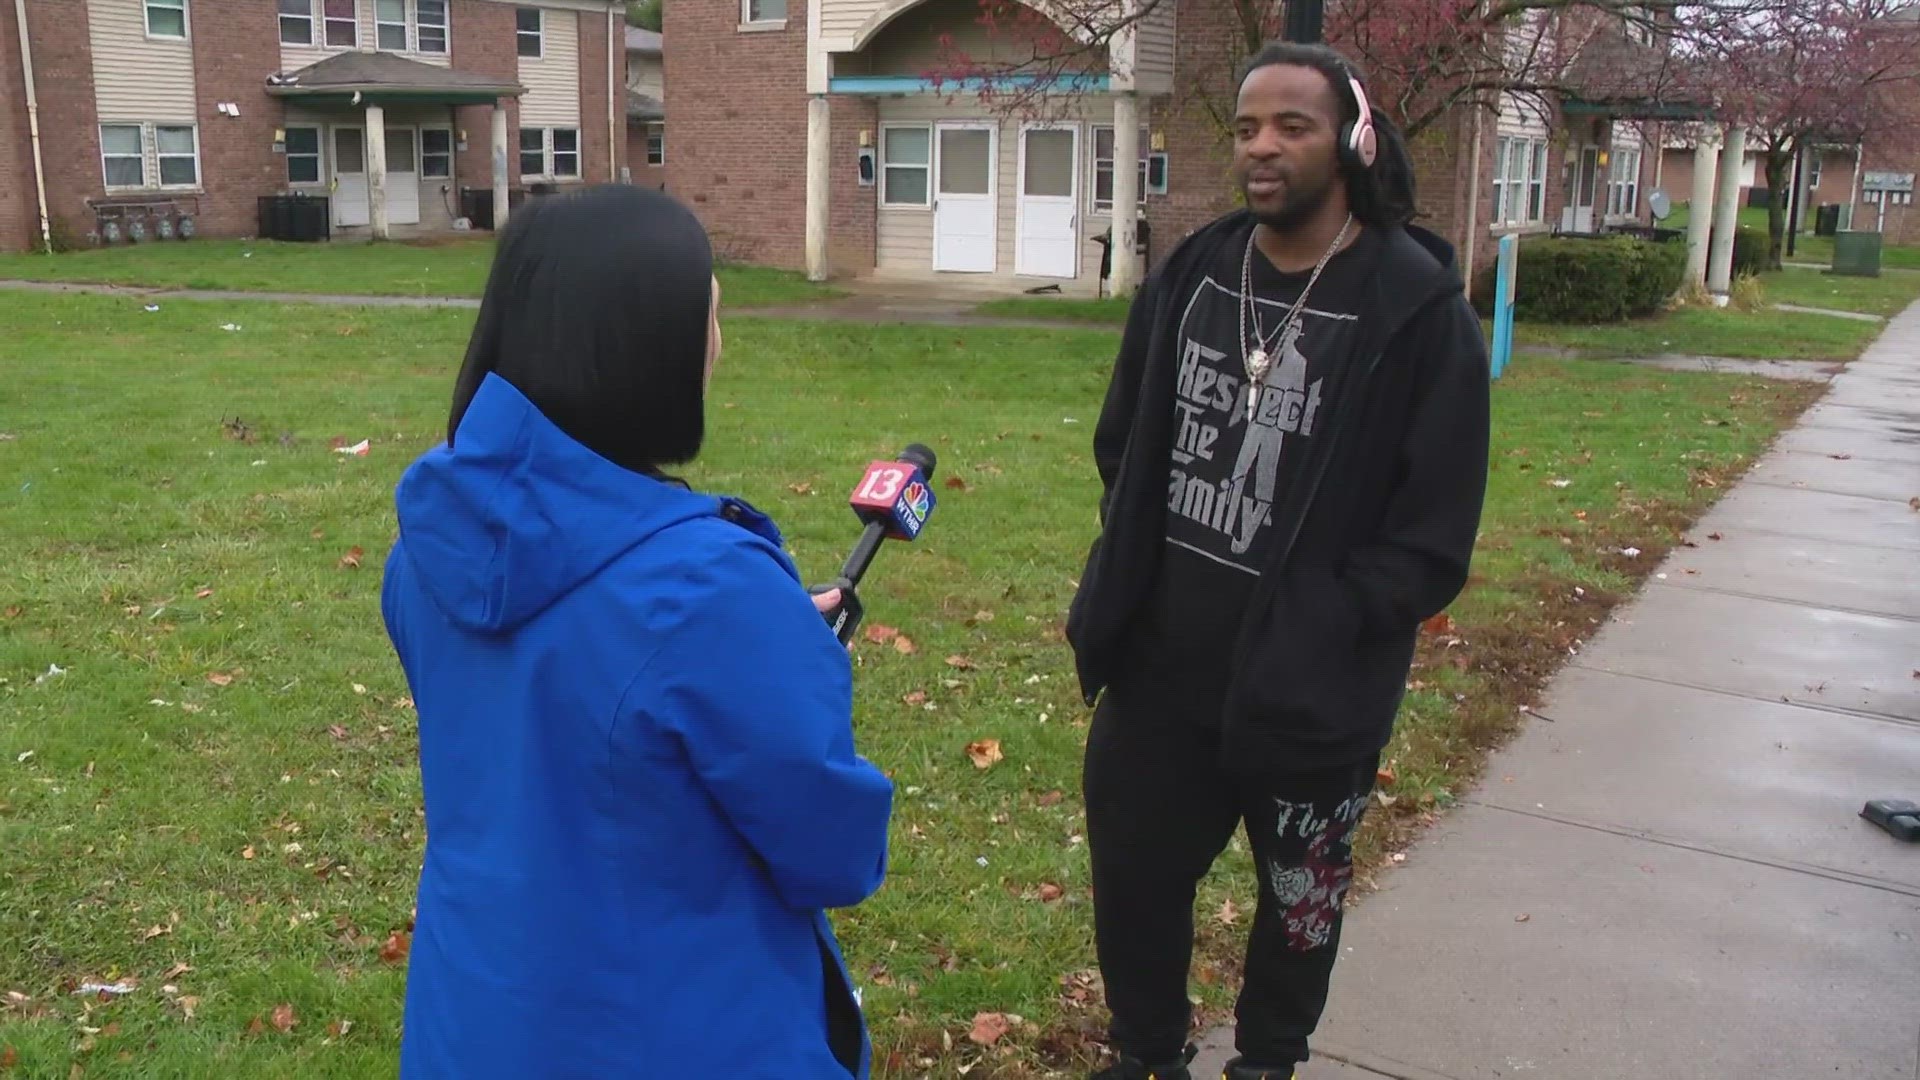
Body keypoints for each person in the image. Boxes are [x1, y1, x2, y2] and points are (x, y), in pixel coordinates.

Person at [379, 184, 894, 1078]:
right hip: (675, 1032)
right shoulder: (714, 591)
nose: (721, 347)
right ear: (644, 343)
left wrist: (763, 645)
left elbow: (552, 702)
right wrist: (775, 652)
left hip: (477, 1019)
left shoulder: (430, 550)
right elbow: (834, 851)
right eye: (711, 318)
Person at [1064, 42, 1492, 1080]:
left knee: (1299, 902)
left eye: (1290, 126)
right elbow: (1124, 437)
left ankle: (1268, 1061)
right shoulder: (1201, 267)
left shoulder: (1414, 306)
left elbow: (1432, 537)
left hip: (1310, 689)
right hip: (1162, 671)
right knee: (1135, 880)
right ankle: (1147, 1054)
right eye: (1249, 125)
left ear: (1348, 140)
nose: (1261, 145)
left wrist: (1324, 619)